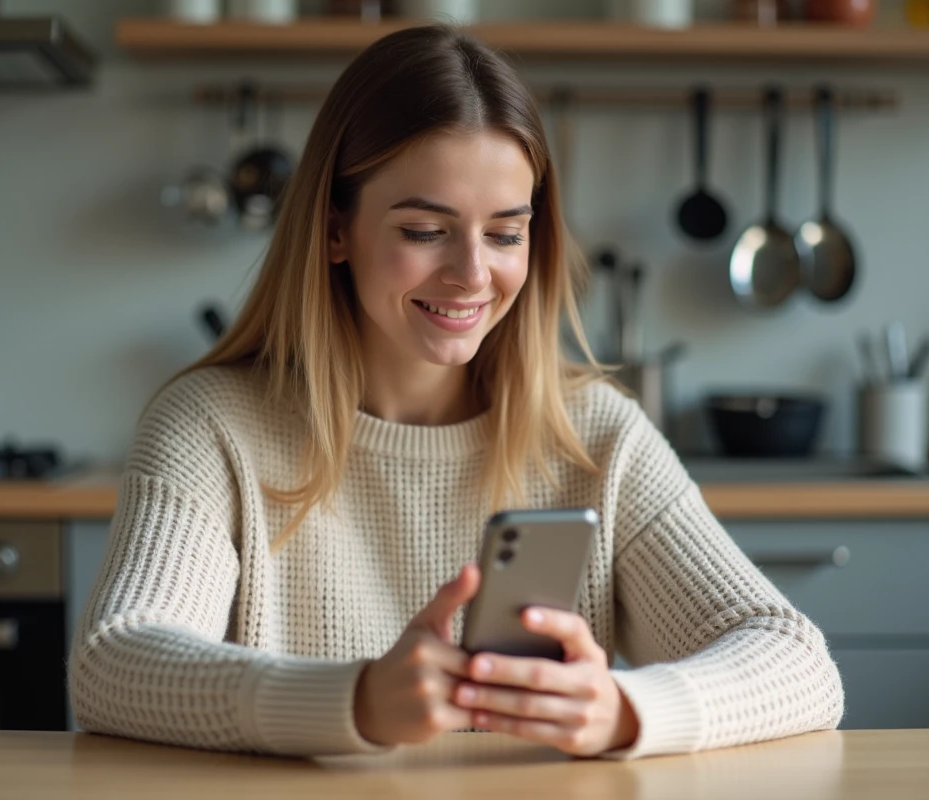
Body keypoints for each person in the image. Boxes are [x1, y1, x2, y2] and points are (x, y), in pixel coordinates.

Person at [68, 24, 844, 760]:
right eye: (424, 230)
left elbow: (797, 662)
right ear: (336, 230)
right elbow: (114, 664)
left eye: (506, 233)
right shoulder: (210, 426)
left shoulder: (596, 435)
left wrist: (625, 712)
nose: (473, 274)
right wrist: (358, 701)